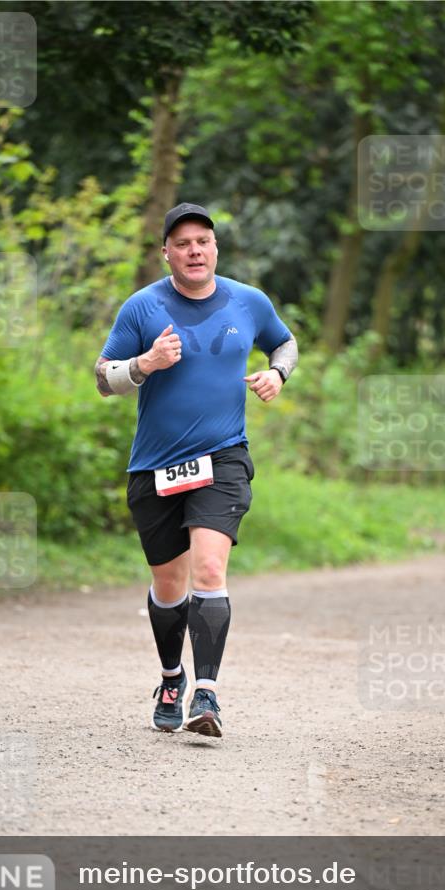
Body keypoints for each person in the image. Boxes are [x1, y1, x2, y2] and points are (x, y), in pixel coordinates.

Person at [95, 202, 298, 738]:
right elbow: (101, 377)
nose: (194, 251)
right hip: (156, 465)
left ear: (215, 249)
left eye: (202, 242)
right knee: (169, 582)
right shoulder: (141, 309)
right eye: (182, 243)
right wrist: (144, 365)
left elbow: (286, 341)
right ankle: (171, 677)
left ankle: (206, 693)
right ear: (166, 252)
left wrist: (279, 373)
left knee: (209, 570)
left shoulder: (248, 301)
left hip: (223, 457)